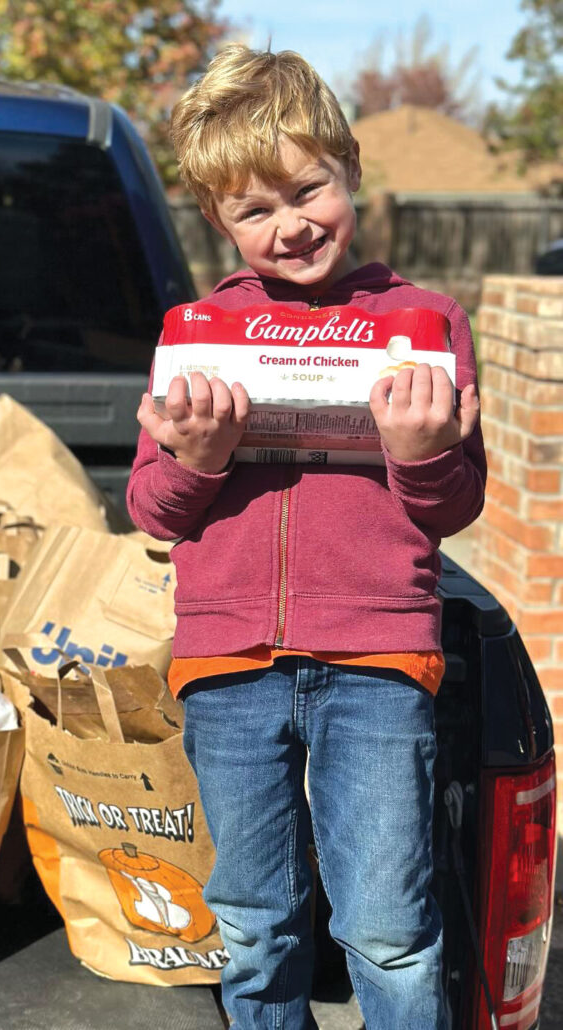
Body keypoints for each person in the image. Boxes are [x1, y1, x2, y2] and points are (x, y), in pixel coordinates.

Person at [126, 44, 485, 1029]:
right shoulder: (195, 333)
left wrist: (417, 451)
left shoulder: (422, 322)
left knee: (386, 928)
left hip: (378, 662)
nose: (288, 225)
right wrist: (196, 458)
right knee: (252, 919)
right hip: (227, 666)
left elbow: (454, 505)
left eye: (306, 189)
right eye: (253, 209)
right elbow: (151, 511)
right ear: (216, 220)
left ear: (350, 167)